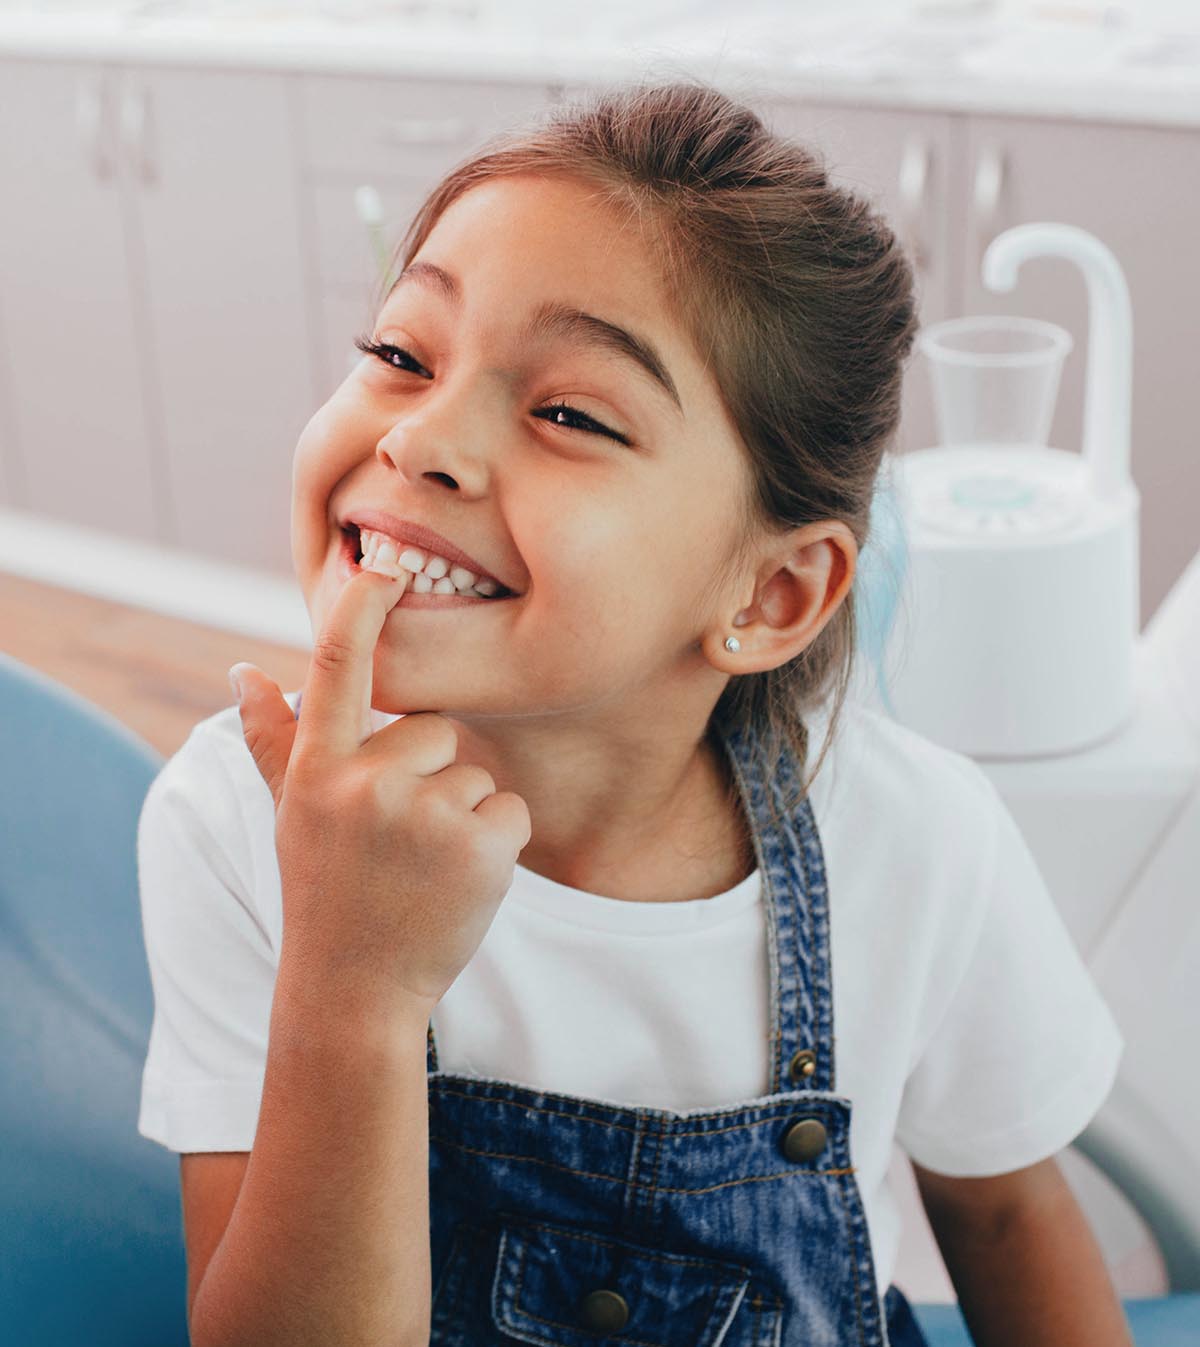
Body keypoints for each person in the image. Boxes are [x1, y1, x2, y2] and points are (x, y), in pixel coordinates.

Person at [136, 79, 1132, 1346]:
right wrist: (352, 987)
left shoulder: (921, 840)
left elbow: (1005, 1218)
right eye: (401, 353)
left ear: (771, 594)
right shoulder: (236, 819)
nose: (424, 438)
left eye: (568, 412)